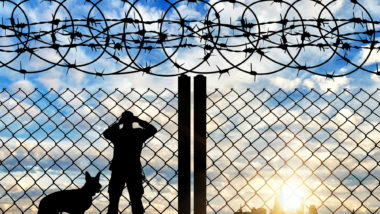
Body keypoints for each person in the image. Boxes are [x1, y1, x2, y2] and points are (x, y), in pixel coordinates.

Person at [103, 111, 157, 214]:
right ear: (132, 120)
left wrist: (118, 123)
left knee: (114, 201)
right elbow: (152, 130)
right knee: (135, 200)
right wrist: (139, 121)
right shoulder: (138, 133)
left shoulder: (118, 134)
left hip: (119, 168)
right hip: (133, 168)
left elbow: (106, 133)